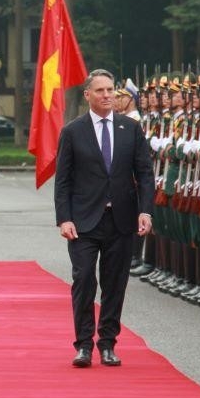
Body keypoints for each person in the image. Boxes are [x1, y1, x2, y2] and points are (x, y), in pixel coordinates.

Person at [54, 68, 154, 368]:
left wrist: (145, 210)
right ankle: (83, 344)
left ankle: (107, 342)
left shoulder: (130, 128)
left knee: (115, 284)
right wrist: (64, 218)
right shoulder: (73, 131)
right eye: (100, 91)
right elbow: (63, 180)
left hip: (121, 219)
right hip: (84, 221)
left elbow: (145, 174)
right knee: (84, 279)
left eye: (111, 90)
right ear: (88, 95)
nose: (107, 95)